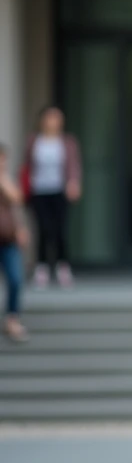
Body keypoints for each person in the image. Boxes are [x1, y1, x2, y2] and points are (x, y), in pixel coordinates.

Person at [20, 106, 82, 289]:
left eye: (57, 118)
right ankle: (42, 268)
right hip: (39, 191)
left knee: (60, 230)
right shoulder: (34, 141)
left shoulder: (67, 142)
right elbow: (27, 166)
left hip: (59, 190)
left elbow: (74, 165)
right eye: (50, 118)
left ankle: (63, 267)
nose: (53, 122)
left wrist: (74, 182)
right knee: (43, 228)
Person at [0, 144, 31, 342]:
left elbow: (17, 201)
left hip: (7, 239)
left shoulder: (6, 180)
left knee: (15, 279)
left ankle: (12, 319)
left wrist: (21, 228)